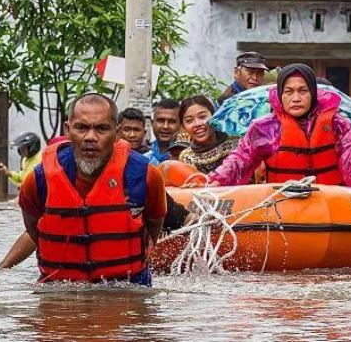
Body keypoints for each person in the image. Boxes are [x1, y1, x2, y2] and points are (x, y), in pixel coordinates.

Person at [15, 93, 166, 284]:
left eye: (102, 129)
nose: (90, 137)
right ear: (68, 130)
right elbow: (33, 227)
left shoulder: (145, 176)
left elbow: (154, 224)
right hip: (59, 288)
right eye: (81, 128)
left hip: (128, 285)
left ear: (117, 133)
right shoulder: (38, 179)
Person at [209, 64, 351, 187]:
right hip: (284, 203)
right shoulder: (265, 128)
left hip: (332, 201)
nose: (296, 98)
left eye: (302, 91)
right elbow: (241, 158)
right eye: (289, 92)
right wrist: (217, 180)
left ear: (312, 93)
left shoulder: (337, 123)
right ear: (281, 95)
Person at [177, 96, 239, 175]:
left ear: (214, 117)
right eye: (189, 121)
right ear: (183, 126)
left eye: (202, 117)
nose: (197, 124)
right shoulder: (186, 157)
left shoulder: (237, 143)